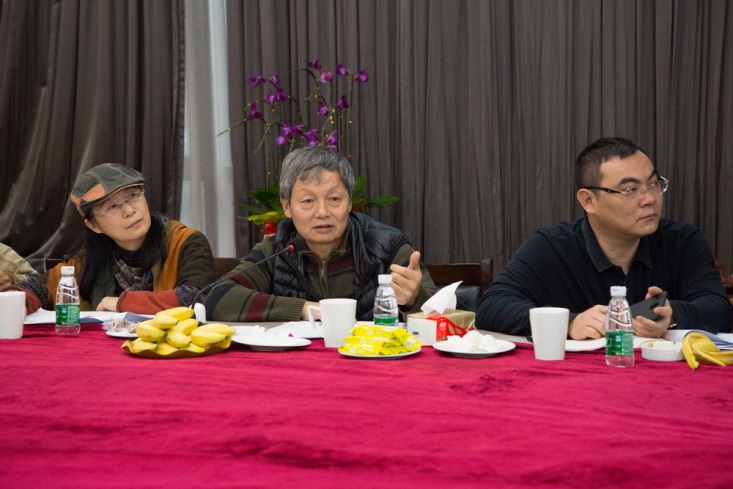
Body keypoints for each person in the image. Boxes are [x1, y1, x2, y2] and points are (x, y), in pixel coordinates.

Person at [476, 137, 733, 339]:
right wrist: (569, 322)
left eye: (654, 184)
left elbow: (719, 309)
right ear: (589, 200)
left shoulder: (682, 241)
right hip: (574, 382)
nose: (649, 199)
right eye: (630, 190)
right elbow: (492, 307)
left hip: (663, 381)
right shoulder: (551, 246)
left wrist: (673, 316)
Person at [206, 146, 436, 322]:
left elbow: (443, 317)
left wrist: (414, 299)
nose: (323, 212)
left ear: (349, 202)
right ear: (287, 207)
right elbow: (217, 297)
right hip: (297, 366)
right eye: (308, 201)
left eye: (334, 199)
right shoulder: (276, 249)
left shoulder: (387, 246)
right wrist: (304, 309)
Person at [13, 163, 217, 314]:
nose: (129, 210)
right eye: (111, 207)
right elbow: (36, 289)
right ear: (93, 225)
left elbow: (197, 299)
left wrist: (122, 303)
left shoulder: (185, 242)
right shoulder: (86, 262)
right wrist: (19, 303)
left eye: (133, 196)